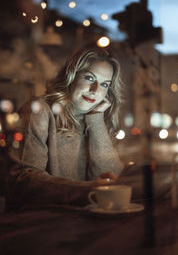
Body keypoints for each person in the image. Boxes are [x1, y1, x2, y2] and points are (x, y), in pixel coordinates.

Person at [6, 47, 124, 207]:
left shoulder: (98, 118)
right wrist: (87, 190)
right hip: (38, 223)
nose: (95, 90)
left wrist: (96, 120)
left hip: (83, 222)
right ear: (72, 75)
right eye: (90, 78)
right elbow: (24, 181)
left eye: (104, 84)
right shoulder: (39, 111)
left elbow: (113, 185)